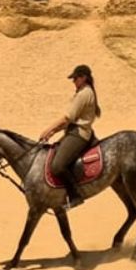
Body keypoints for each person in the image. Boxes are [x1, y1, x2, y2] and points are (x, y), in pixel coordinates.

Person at [38, 64, 101, 209]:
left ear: (84, 78)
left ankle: (75, 195)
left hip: (79, 134)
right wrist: (54, 132)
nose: (74, 81)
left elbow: (67, 118)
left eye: (75, 78)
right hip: (73, 131)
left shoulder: (84, 93)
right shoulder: (83, 92)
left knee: (57, 166)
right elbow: (69, 121)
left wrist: (48, 130)